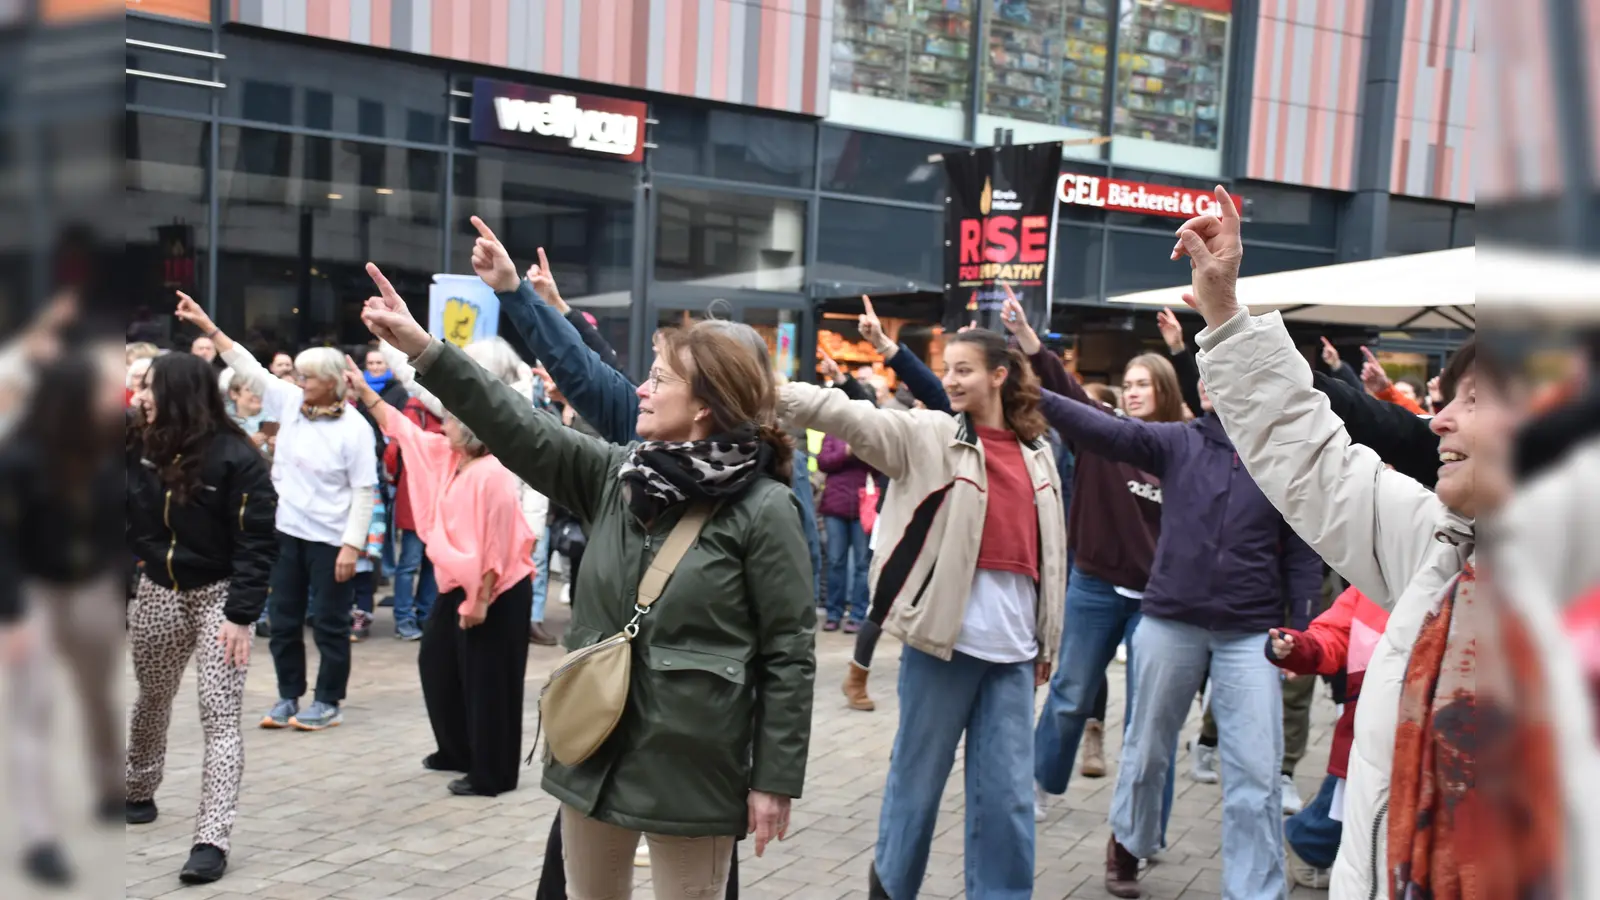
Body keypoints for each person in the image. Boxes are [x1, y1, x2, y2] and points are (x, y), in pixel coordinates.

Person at [361, 229, 815, 898]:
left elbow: (789, 650)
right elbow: (515, 422)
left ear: (704, 408)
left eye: (659, 379)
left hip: (693, 764)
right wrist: (425, 350)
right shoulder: (614, 473)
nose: (640, 388)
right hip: (595, 745)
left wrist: (774, 779)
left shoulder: (765, 507)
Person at [1179, 185, 1555, 900]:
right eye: (1443, 400)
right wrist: (1225, 312)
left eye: (1472, 401)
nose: (1437, 422)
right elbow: (1313, 460)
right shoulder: (1441, 553)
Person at [1032, 332, 1321, 898]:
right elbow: (1102, 428)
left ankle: (1257, 890)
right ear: (1203, 392)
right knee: (1146, 748)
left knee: (1257, 771)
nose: (1216, 388)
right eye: (1209, 379)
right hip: (1171, 620)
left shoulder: (1281, 459)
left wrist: (1302, 628)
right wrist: (1033, 390)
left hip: (1250, 631)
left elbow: (1304, 552)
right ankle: (1129, 842)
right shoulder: (1177, 442)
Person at [781, 328, 1066, 899]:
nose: (952, 381)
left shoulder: (1039, 454)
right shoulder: (928, 435)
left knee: (1008, 797)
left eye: (964, 369)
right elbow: (842, 412)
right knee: (917, 785)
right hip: (943, 643)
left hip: (1014, 653)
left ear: (999, 375)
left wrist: (1048, 643)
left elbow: (1051, 557)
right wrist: (752, 388)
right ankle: (890, 891)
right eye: (948, 369)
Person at [175, 292, 378, 732]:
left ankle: (328, 700)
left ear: (332, 381)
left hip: (331, 540)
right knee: (284, 621)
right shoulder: (290, 404)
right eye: (299, 375)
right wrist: (209, 328)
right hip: (286, 533)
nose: (301, 381)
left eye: (309, 376)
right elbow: (248, 367)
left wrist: (351, 546)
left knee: (328, 623)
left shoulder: (356, 428)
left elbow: (365, 491)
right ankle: (289, 695)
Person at [343, 357, 537, 797]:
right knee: (438, 662)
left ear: (469, 431)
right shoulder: (450, 458)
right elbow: (402, 429)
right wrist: (365, 392)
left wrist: (479, 602)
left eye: (449, 420)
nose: (441, 426)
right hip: (459, 582)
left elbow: (496, 548)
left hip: (497, 588)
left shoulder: (493, 475)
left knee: (489, 684)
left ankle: (493, 775)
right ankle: (455, 749)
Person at [125, 352, 278, 885]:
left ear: (176, 395)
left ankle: (211, 838)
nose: (140, 395)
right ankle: (138, 787)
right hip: (159, 589)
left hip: (220, 597)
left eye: (149, 387)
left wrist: (240, 615)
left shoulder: (237, 458)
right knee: (152, 695)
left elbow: (258, 544)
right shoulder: (139, 443)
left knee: (219, 714)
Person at [0, 345, 126, 889]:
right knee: (33, 712)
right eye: (104, 389)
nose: (114, 398)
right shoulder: (20, 456)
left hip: (93, 587)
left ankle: (109, 789)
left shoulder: (108, 450)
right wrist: (14, 615)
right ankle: (39, 836)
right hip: (36, 593)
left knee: (100, 697)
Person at [1266, 584, 1390, 888]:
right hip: (1373, 740)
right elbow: (1331, 634)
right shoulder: (1374, 581)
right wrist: (1297, 647)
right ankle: (1308, 842)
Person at [816, 432, 876, 633]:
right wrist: (846, 452)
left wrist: (863, 450)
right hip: (835, 507)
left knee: (862, 564)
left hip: (863, 507)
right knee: (835, 562)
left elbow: (880, 467)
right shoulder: (833, 434)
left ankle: (858, 615)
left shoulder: (869, 434)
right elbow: (823, 462)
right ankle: (833, 614)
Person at [362, 346, 410, 410]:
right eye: (370, 363)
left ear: (387, 365)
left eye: (379, 363)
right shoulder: (360, 387)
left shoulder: (399, 390)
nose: (375, 367)